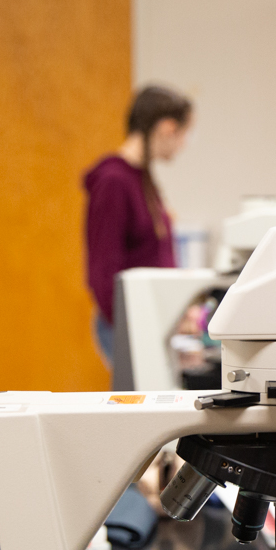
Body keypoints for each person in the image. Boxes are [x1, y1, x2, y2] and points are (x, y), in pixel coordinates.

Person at [84, 85, 192, 366]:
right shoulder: (114, 182)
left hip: (150, 321)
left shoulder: (140, 177)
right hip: (129, 325)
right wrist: (133, 332)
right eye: (184, 134)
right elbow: (102, 272)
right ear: (168, 128)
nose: (184, 143)